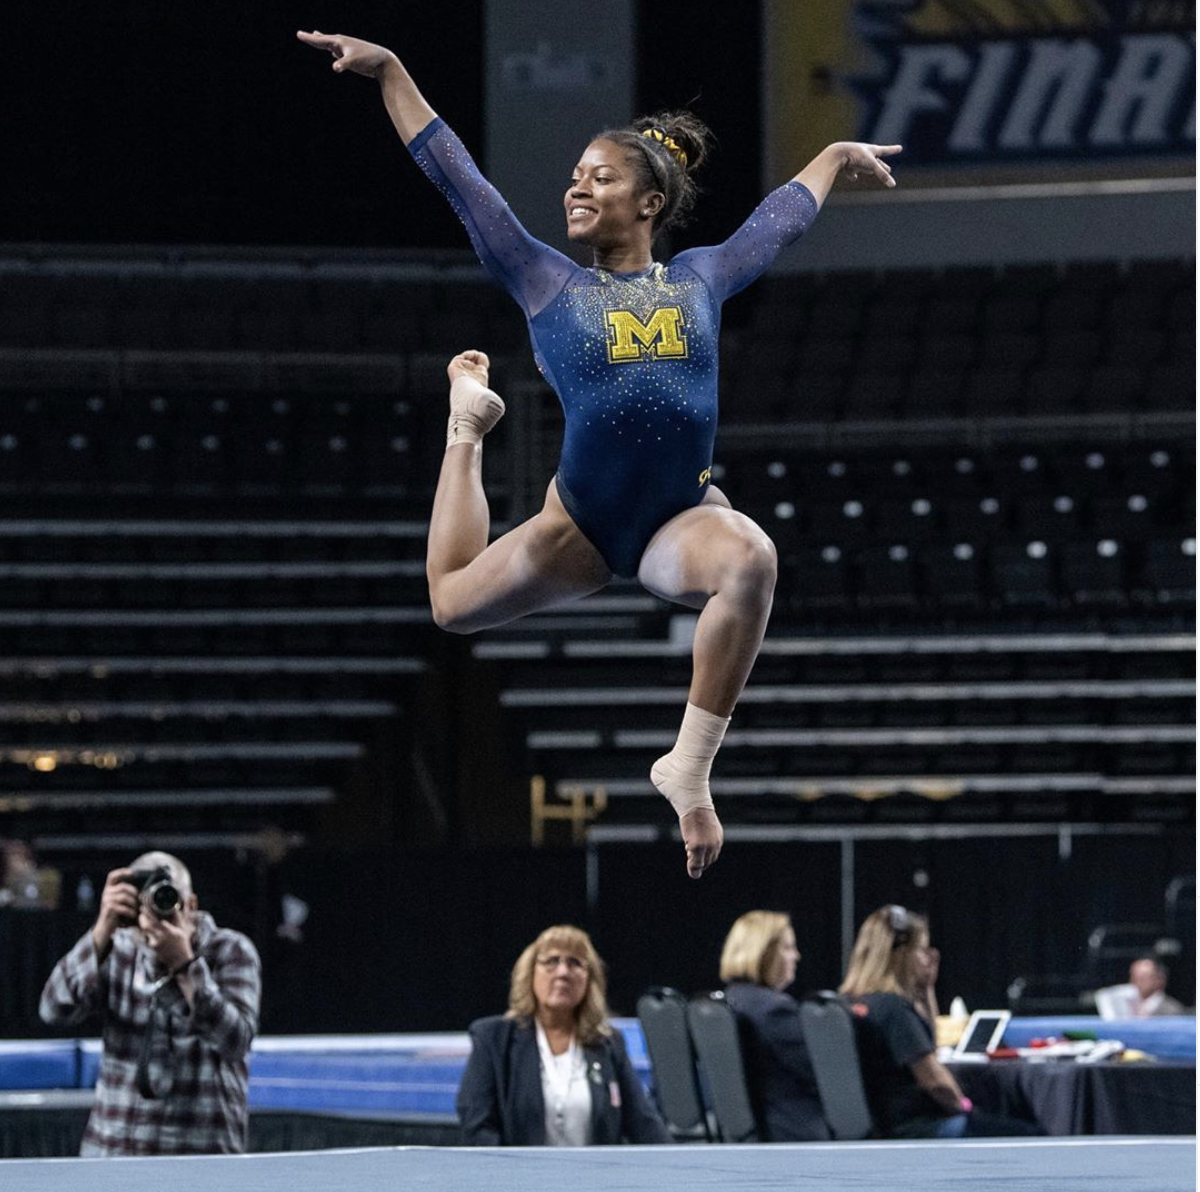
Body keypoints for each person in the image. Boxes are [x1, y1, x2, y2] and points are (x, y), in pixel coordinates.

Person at [297, 29, 901, 880]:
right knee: (447, 604)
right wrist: (395, 71)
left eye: (600, 176)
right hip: (578, 523)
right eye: (575, 175)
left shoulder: (701, 278)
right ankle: (465, 426)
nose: (577, 186)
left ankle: (687, 767)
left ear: (648, 202)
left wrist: (834, 156)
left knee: (753, 559)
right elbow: (459, 180)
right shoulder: (547, 281)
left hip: (677, 522)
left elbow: (777, 223)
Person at [39, 852, 261, 1155]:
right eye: (149, 899)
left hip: (201, 1155)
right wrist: (101, 931)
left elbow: (235, 1040)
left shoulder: (230, 950)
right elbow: (53, 1010)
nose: (159, 908)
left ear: (192, 905)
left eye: (169, 897)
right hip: (113, 1155)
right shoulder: (117, 949)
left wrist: (185, 964)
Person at [456, 923, 670, 1146]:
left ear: (590, 981)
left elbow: (644, 1124)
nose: (563, 972)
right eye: (551, 961)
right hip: (517, 1178)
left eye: (575, 962)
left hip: (595, 1179)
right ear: (530, 973)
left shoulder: (608, 1043)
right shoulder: (494, 1039)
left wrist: (681, 1172)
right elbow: (476, 1126)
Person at [839, 906, 1040, 1139]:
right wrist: (965, 1108)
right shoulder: (893, 1010)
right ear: (902, 953)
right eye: (921, 950)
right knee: (1032, 1134)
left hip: (887, 1126)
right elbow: (935, 1082)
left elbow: (928, 1045)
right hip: (920, 1128)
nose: (927, 957)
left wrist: (926, 990)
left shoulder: (852, 1003)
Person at [719, 910, 829, 1141]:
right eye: (788, 948)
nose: (796, 956)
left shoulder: (730, 1001)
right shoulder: (775, 1009)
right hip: (795, 1135)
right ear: (764, 953)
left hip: (751, 1135)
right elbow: (826, 1076)